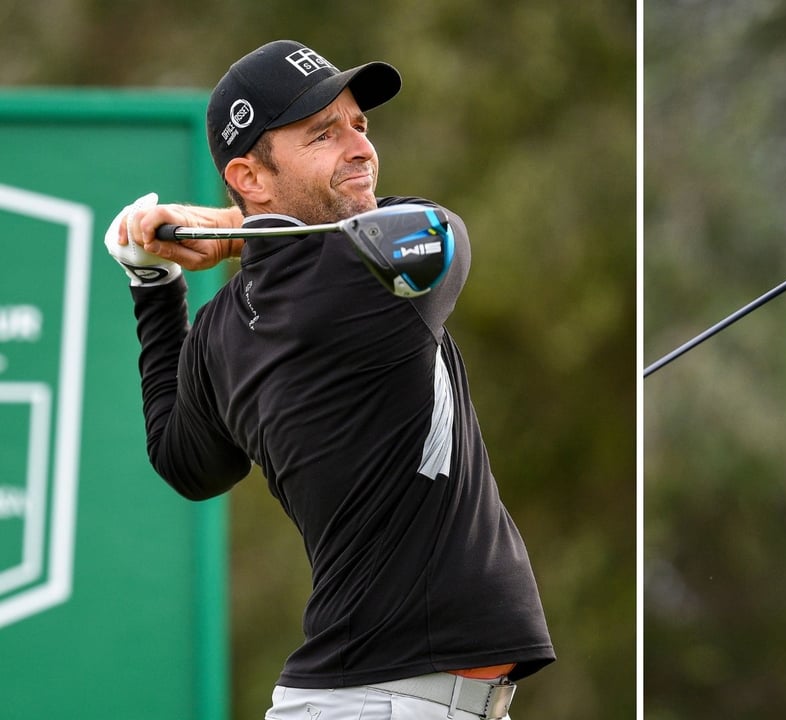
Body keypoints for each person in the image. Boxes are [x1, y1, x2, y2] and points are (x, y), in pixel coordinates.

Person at [103, 40, 554, 720]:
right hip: (384, 700)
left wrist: (155, 282)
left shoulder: (224, 328)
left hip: (372, 697)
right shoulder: (365, 276)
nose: (359, 147)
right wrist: (234, 233)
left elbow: (183, 463)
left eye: (359, 126)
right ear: (250, 176)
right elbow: (437, 232)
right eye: (323, 133)